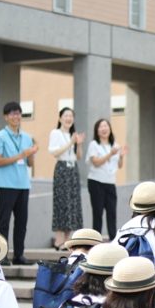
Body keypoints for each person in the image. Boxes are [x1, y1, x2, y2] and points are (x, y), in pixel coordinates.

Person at [0, 101, 38, 266]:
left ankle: (19, 254)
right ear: (5, 117)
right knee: (4, 221)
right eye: (12, 114)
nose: (15, 116)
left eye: (18, 113)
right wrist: (21, 154)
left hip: (23, 184)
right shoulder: (0, 136)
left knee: (22, 222)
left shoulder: (26, 137)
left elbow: (30, 163)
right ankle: (1, 255)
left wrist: (31, 153)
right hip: (5, 184)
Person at [49, 107, 86, 250]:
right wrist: (71, 142)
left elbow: (78, 157)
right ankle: (59, 240)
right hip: (62, 169)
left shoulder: (73, 134)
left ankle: (68, 240)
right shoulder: (56, 133)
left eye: (71, 116)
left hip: (73, 169)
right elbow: (54, 152)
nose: (68, 118)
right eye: (66, 115)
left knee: (73, 204)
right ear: (60, 118)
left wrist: (79, 144)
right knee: (61, 203)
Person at [86, 118, 127, 239]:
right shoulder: (94, 145)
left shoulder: (115, 145)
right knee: (98, 212)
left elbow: (119, 166)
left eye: (106, 126)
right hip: (96, 181)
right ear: (97, 130)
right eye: (101, 127)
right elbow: (95, 162)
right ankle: (96, 240)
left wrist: (121, 157)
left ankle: (113, 238)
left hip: (110, 182)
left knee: (112, 212)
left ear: (110, 129)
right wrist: (110, 154)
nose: (104, 129)